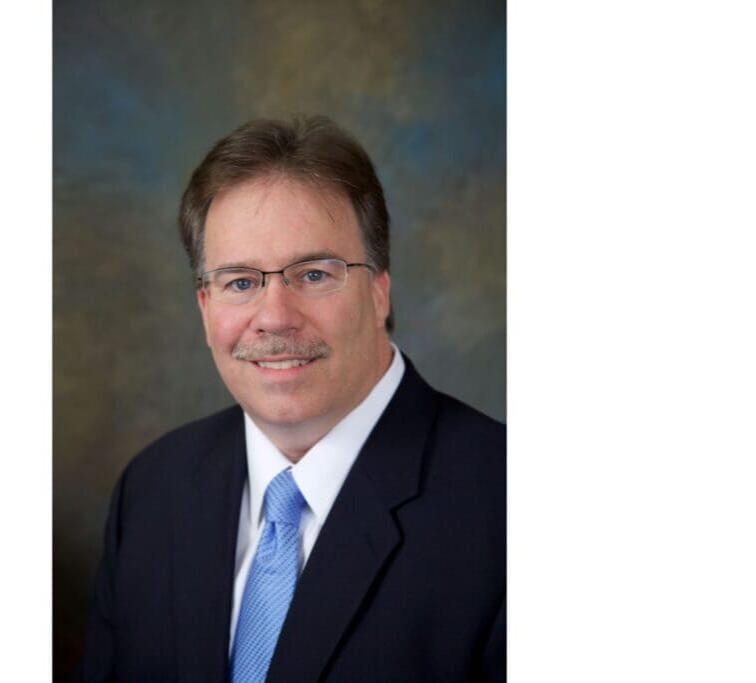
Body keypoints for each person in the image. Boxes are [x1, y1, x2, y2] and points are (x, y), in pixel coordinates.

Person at [79, 116, 505, 682]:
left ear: (380, 290)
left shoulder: (506, 504)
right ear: (206, 309)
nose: (275, 316)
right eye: (240, 282)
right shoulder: (154, 492)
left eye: (313, 274)